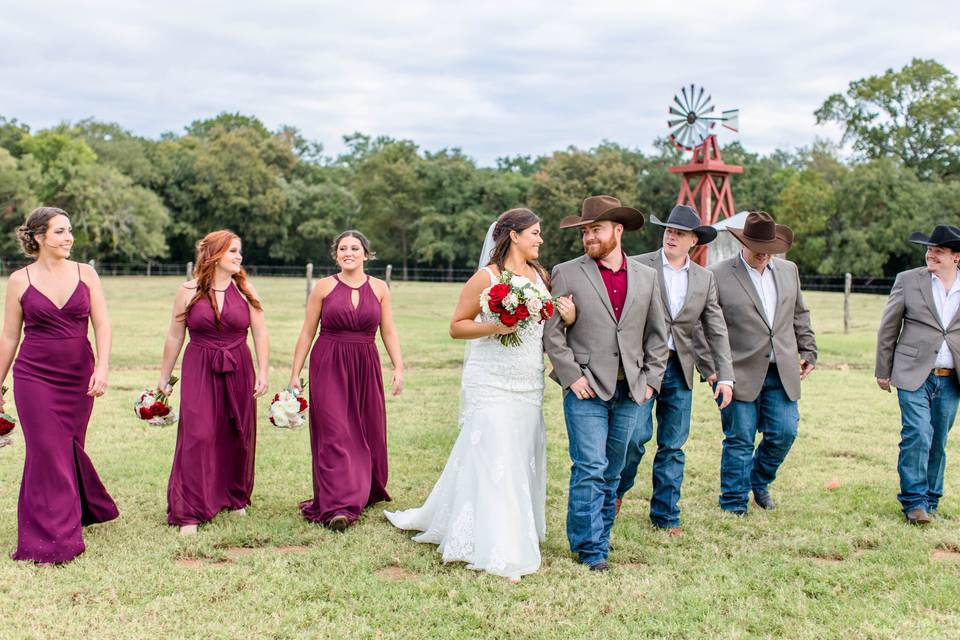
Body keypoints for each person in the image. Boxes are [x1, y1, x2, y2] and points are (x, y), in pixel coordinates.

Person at [385, 208, 575, 582]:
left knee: (518, 455)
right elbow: (456, 327)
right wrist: (495, 325)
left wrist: (565, 318)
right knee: (495, 454)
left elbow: (546, 325)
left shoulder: (540, 276)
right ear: (514, 235)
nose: (540, 240)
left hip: (526, 380)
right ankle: (501, 544)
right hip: (490, 379)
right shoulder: (484, 277)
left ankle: (505, 525)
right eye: (535, 233)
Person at [543, 195, 669, 572]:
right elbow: (552, 334)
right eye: (584, 231)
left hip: (632, 390)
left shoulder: (647, 277)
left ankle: (602, 535)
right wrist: (571, 376)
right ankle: (589, 548)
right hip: (586, 389)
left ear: (618, 230)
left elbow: (658, 335)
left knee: (614, 470)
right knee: (590, 466)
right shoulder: (566, 272)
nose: (588, 238)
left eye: (595, 230)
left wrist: (650, 382)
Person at [0, 206, 118, 563]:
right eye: (60, 232)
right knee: (46, 450)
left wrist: (103, 367)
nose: (69, 238)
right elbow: (8, 338)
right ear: (38, 237)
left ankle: (75, 511)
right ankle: (54, 537)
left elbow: (103, 325)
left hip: (78, 377)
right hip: (34, 376)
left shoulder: (86, 273)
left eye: (69, 231)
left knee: (68, 447)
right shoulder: (20, 280)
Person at [616, 204, 734, 535]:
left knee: (673, 446)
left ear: (693, 241)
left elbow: (715, 328)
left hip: (681, 369)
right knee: (635, 438)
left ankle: (666, 516)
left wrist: (723, 374)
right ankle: (616, 493)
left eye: (679, 233)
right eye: (668, 230)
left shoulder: (704, 278)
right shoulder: (637, 265)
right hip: (641, 368)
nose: (671, 236)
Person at [697, 211, 817, 516]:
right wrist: (711, 369)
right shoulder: (717, 274)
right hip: (736, 371)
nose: (765, 254)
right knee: (739, 439)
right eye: (758, 247)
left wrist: (809, 350)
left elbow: (799, 314)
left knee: (784, 433)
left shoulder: (789, 270)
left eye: (770, 248)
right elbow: (701, 325)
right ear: (743, 242)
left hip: (782, 369)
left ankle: (759, 481)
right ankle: (734, 503)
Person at [291, 230, 403, 531]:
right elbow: (307, 331)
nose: (348, 253)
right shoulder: (324, 287)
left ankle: (362, 487)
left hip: (365, 363)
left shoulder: (380, 289)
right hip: (328, 362)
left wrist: (399, 367)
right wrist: (295, 373)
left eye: (355, 248)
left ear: (366, 254)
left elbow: (388, 331)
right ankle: (338, 505)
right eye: (343, 248)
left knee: (366, 429)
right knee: (334, 430)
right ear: (335, 254)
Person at [158, 230, 269, 535]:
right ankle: (190, 510)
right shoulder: (188, 290)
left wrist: (263, 371)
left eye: (239, 252)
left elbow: (259, 332)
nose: (239, 257)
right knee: (199, 432)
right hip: (200, 364)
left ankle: (234, 498)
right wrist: (164, 377)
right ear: (215, 254)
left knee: (237, 430)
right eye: (233, 251)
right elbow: (174, 335)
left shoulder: (245, 289)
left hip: (239, 365)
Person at [876, 224, 960, 525]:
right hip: (913, 373)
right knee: (918, 434)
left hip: (952, 379)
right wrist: (882, 370)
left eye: (938, 251)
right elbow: (889, 327)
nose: (930, 255)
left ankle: (932, 497)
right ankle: (913, 502)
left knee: (938, 439)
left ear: (956, 257)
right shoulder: (908, 281)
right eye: (928, 250)